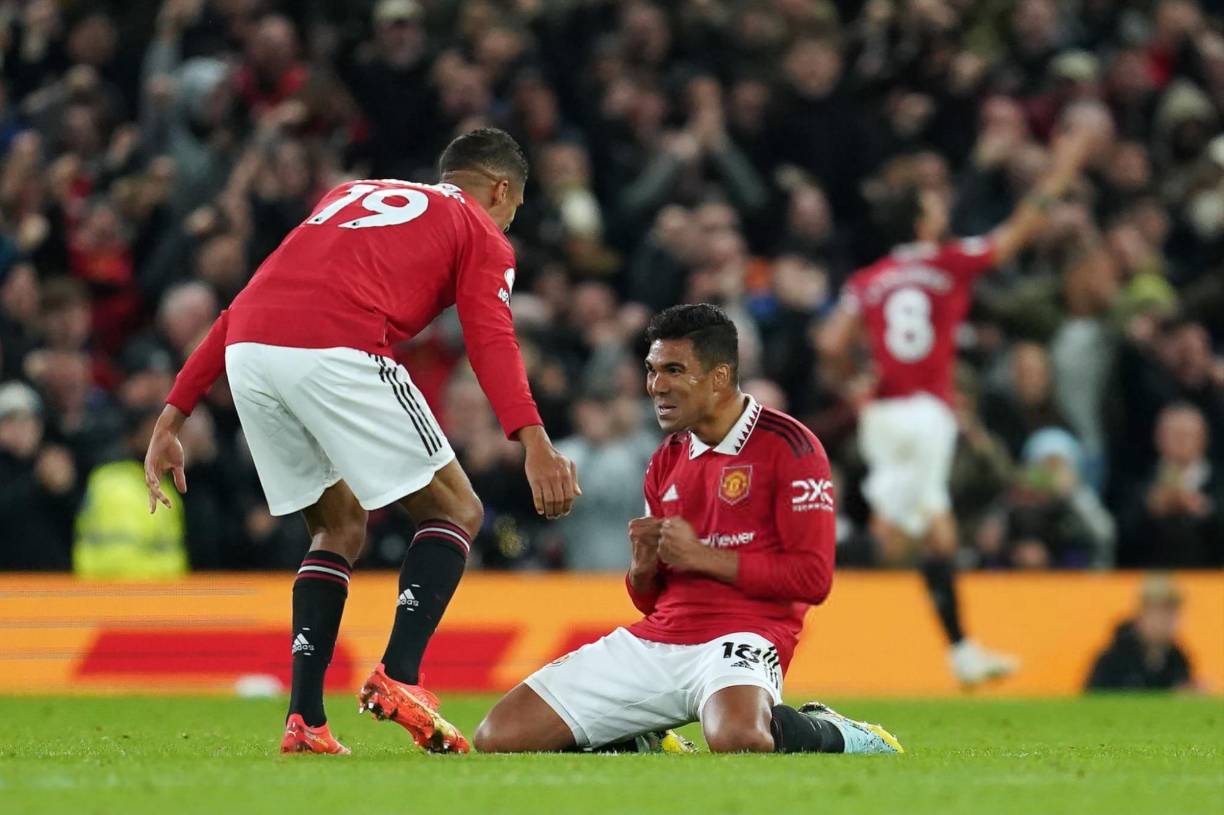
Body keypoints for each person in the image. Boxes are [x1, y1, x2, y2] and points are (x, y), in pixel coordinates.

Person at [143, 128, 581, 755]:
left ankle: (305, 720)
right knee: (457, 510)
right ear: (501, 189)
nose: (511, 220)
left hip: (250, 353)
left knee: (337, 526)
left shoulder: (350, 194)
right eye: (515, 206)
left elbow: (243, 303)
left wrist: (172, 416)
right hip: (336, 346)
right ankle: (400, 675)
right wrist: (533, 440)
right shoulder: (481, 232)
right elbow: (490, 337)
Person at [474, 304, 902, 755]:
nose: (656, 386)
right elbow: (650, 601)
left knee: (738, 738)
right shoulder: (666, 458)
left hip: (744, 637)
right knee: (499, 737)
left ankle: (843, 734)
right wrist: (642, 569)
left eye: (674, 370)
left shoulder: (790, 446)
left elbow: (813, 580)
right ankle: (641, 739)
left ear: (719, 377)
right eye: (652, 369)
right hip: (660, 639)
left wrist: (701, 556)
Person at [817, 104, 1114, 685]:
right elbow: (1020, 230)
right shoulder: (948, 263)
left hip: (883, 414)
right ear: (921, 222)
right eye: (933, 206)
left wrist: (854, 382)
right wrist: (1067, 162)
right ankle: (778, 589)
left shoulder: (867, 280)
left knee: (936, 532)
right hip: (926, 412)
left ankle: (960, 652)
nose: (942, 211)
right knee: (894, 540)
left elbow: (830, 343)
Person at [1085, 574, 1195, 691]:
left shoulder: (1178, 660)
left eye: (1172, 613)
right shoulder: (1112, 660)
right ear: (1141, 615)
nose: (1165, 621)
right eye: (1158, 612)